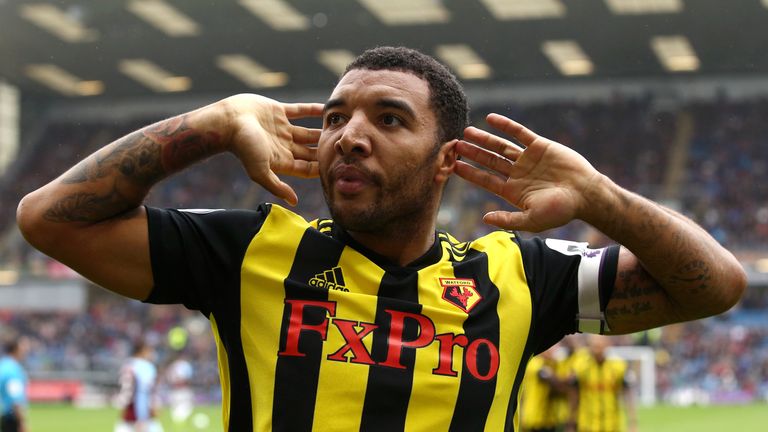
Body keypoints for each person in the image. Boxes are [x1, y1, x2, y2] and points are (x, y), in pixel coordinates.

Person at [16, 46, 746, 431]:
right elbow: (50, 218)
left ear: (447, 161)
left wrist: (603, 199)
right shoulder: (253, 252)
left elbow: (716, 285)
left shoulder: (518, 277)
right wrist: (211, 124)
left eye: (389, 119)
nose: (350, 137)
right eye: (335, 118)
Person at [568, 335, 637, 432]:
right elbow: (574, 394)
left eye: (600, 345)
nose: (597, 349)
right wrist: (571, 423)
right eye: (594, 346)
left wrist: (632, 422)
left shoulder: (618, 366)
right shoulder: (581, 366)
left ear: (607, 345)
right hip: (587, 425)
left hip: (612, 425)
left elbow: (627, 393)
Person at [113, 342, 163, 432]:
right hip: (140, 406)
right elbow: (144, 390)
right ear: (142, 351)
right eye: (149, 351)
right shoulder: (146, 366)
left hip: (128, 406)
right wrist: (145, 412)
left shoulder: (127, 364)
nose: (151, 354)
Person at [520, 344, 567, 432]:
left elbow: (564, 389)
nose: (553, 350)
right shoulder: (534, 363)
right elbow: (554, 382)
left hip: (550, 419)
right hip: (534, 419)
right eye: (551, 347)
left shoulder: (553, 364)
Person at [0, 336, 29, 432]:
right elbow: (15, 398)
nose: (25, 350)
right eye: (22, 347)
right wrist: (21, 422)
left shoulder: (3, 365)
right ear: (16, 349)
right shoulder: (13, 369)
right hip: (12, 417)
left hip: (4, 414)